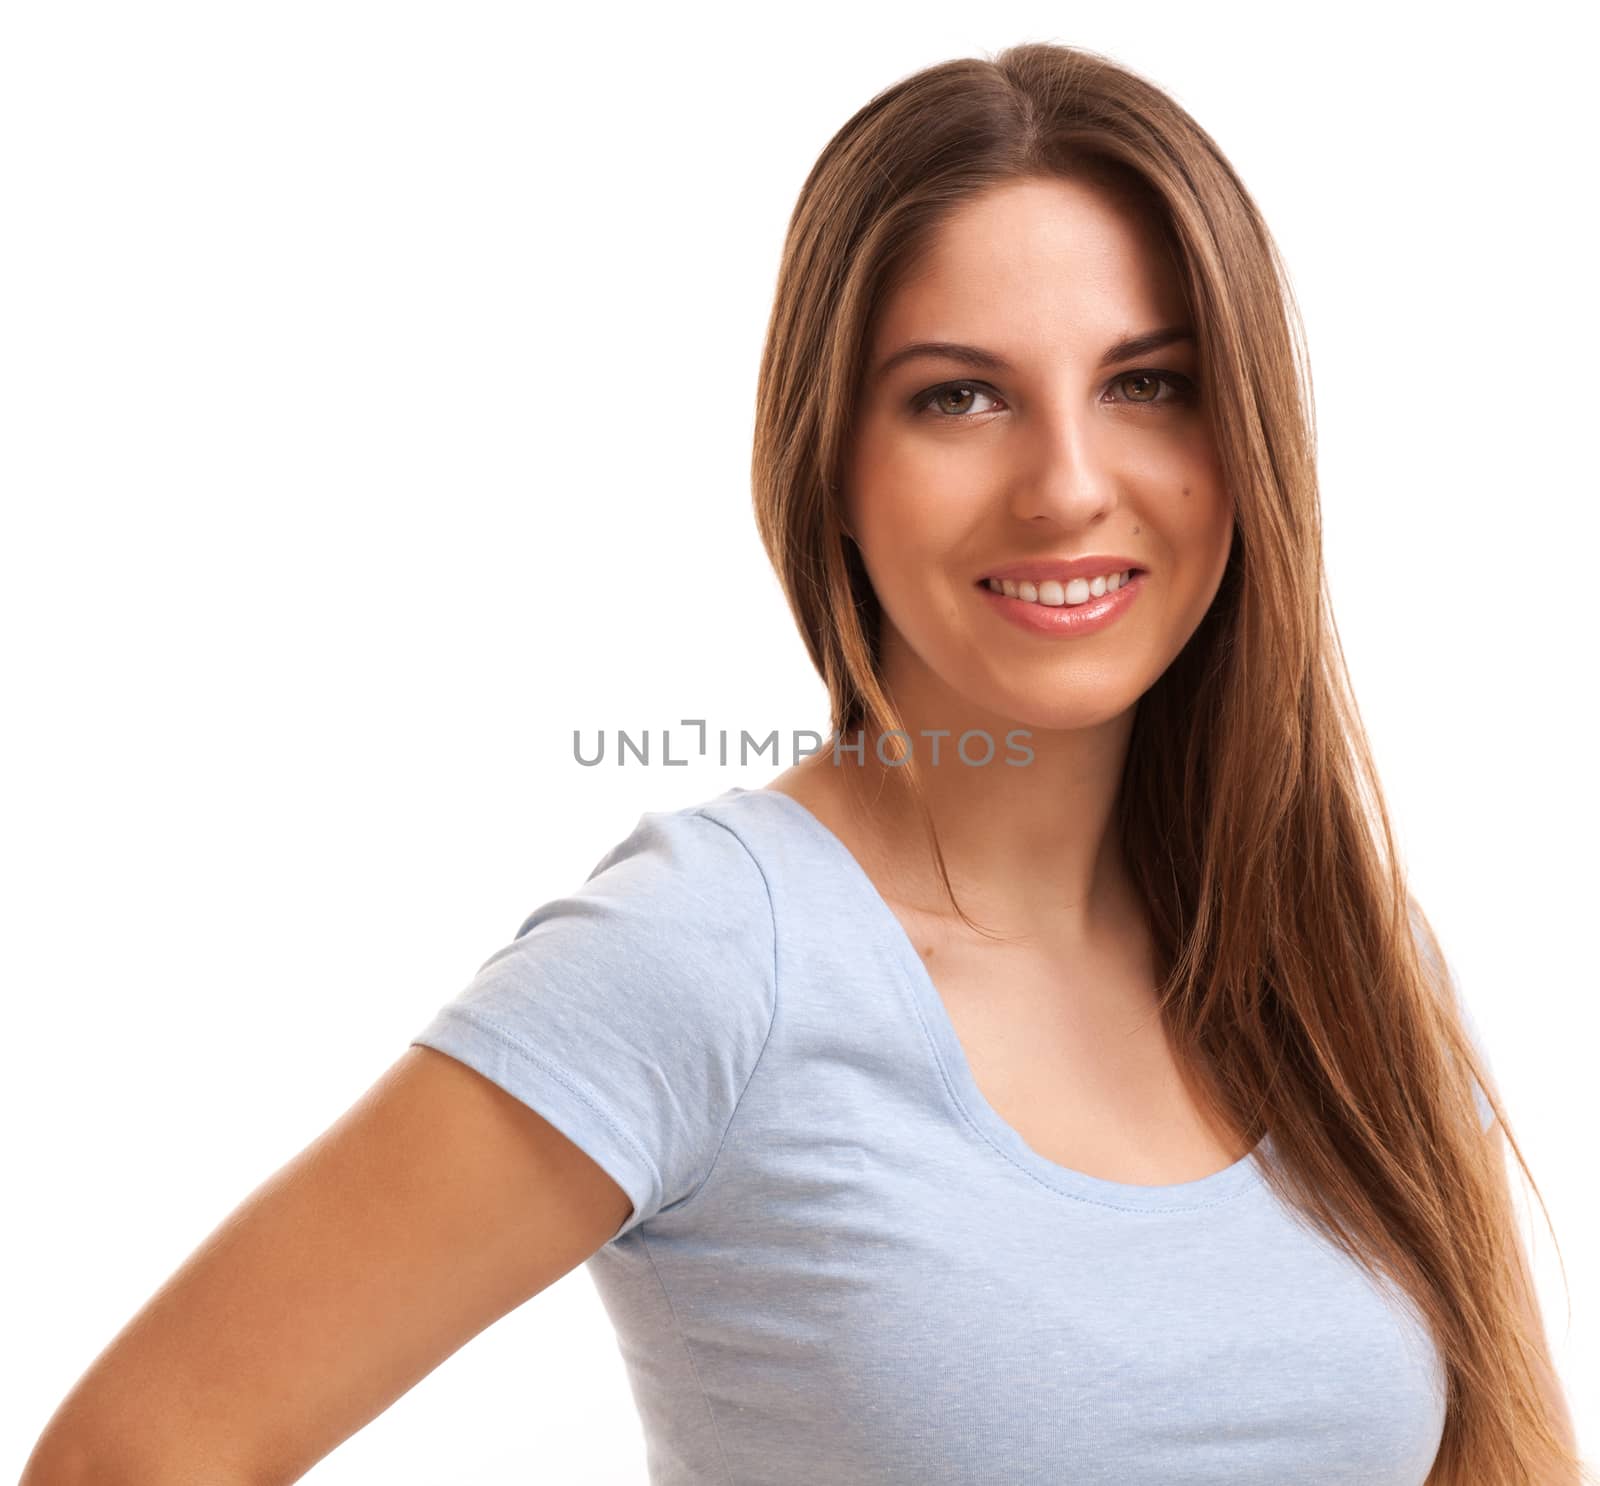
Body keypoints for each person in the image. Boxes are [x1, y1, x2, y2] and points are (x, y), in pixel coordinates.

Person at [20, 41, 1586, 1486]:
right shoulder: (717, 952)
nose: (1067, 481)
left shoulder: (1329, 953)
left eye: (1145, 383)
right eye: (958, 396)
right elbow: (132, 1455)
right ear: (829, 460)